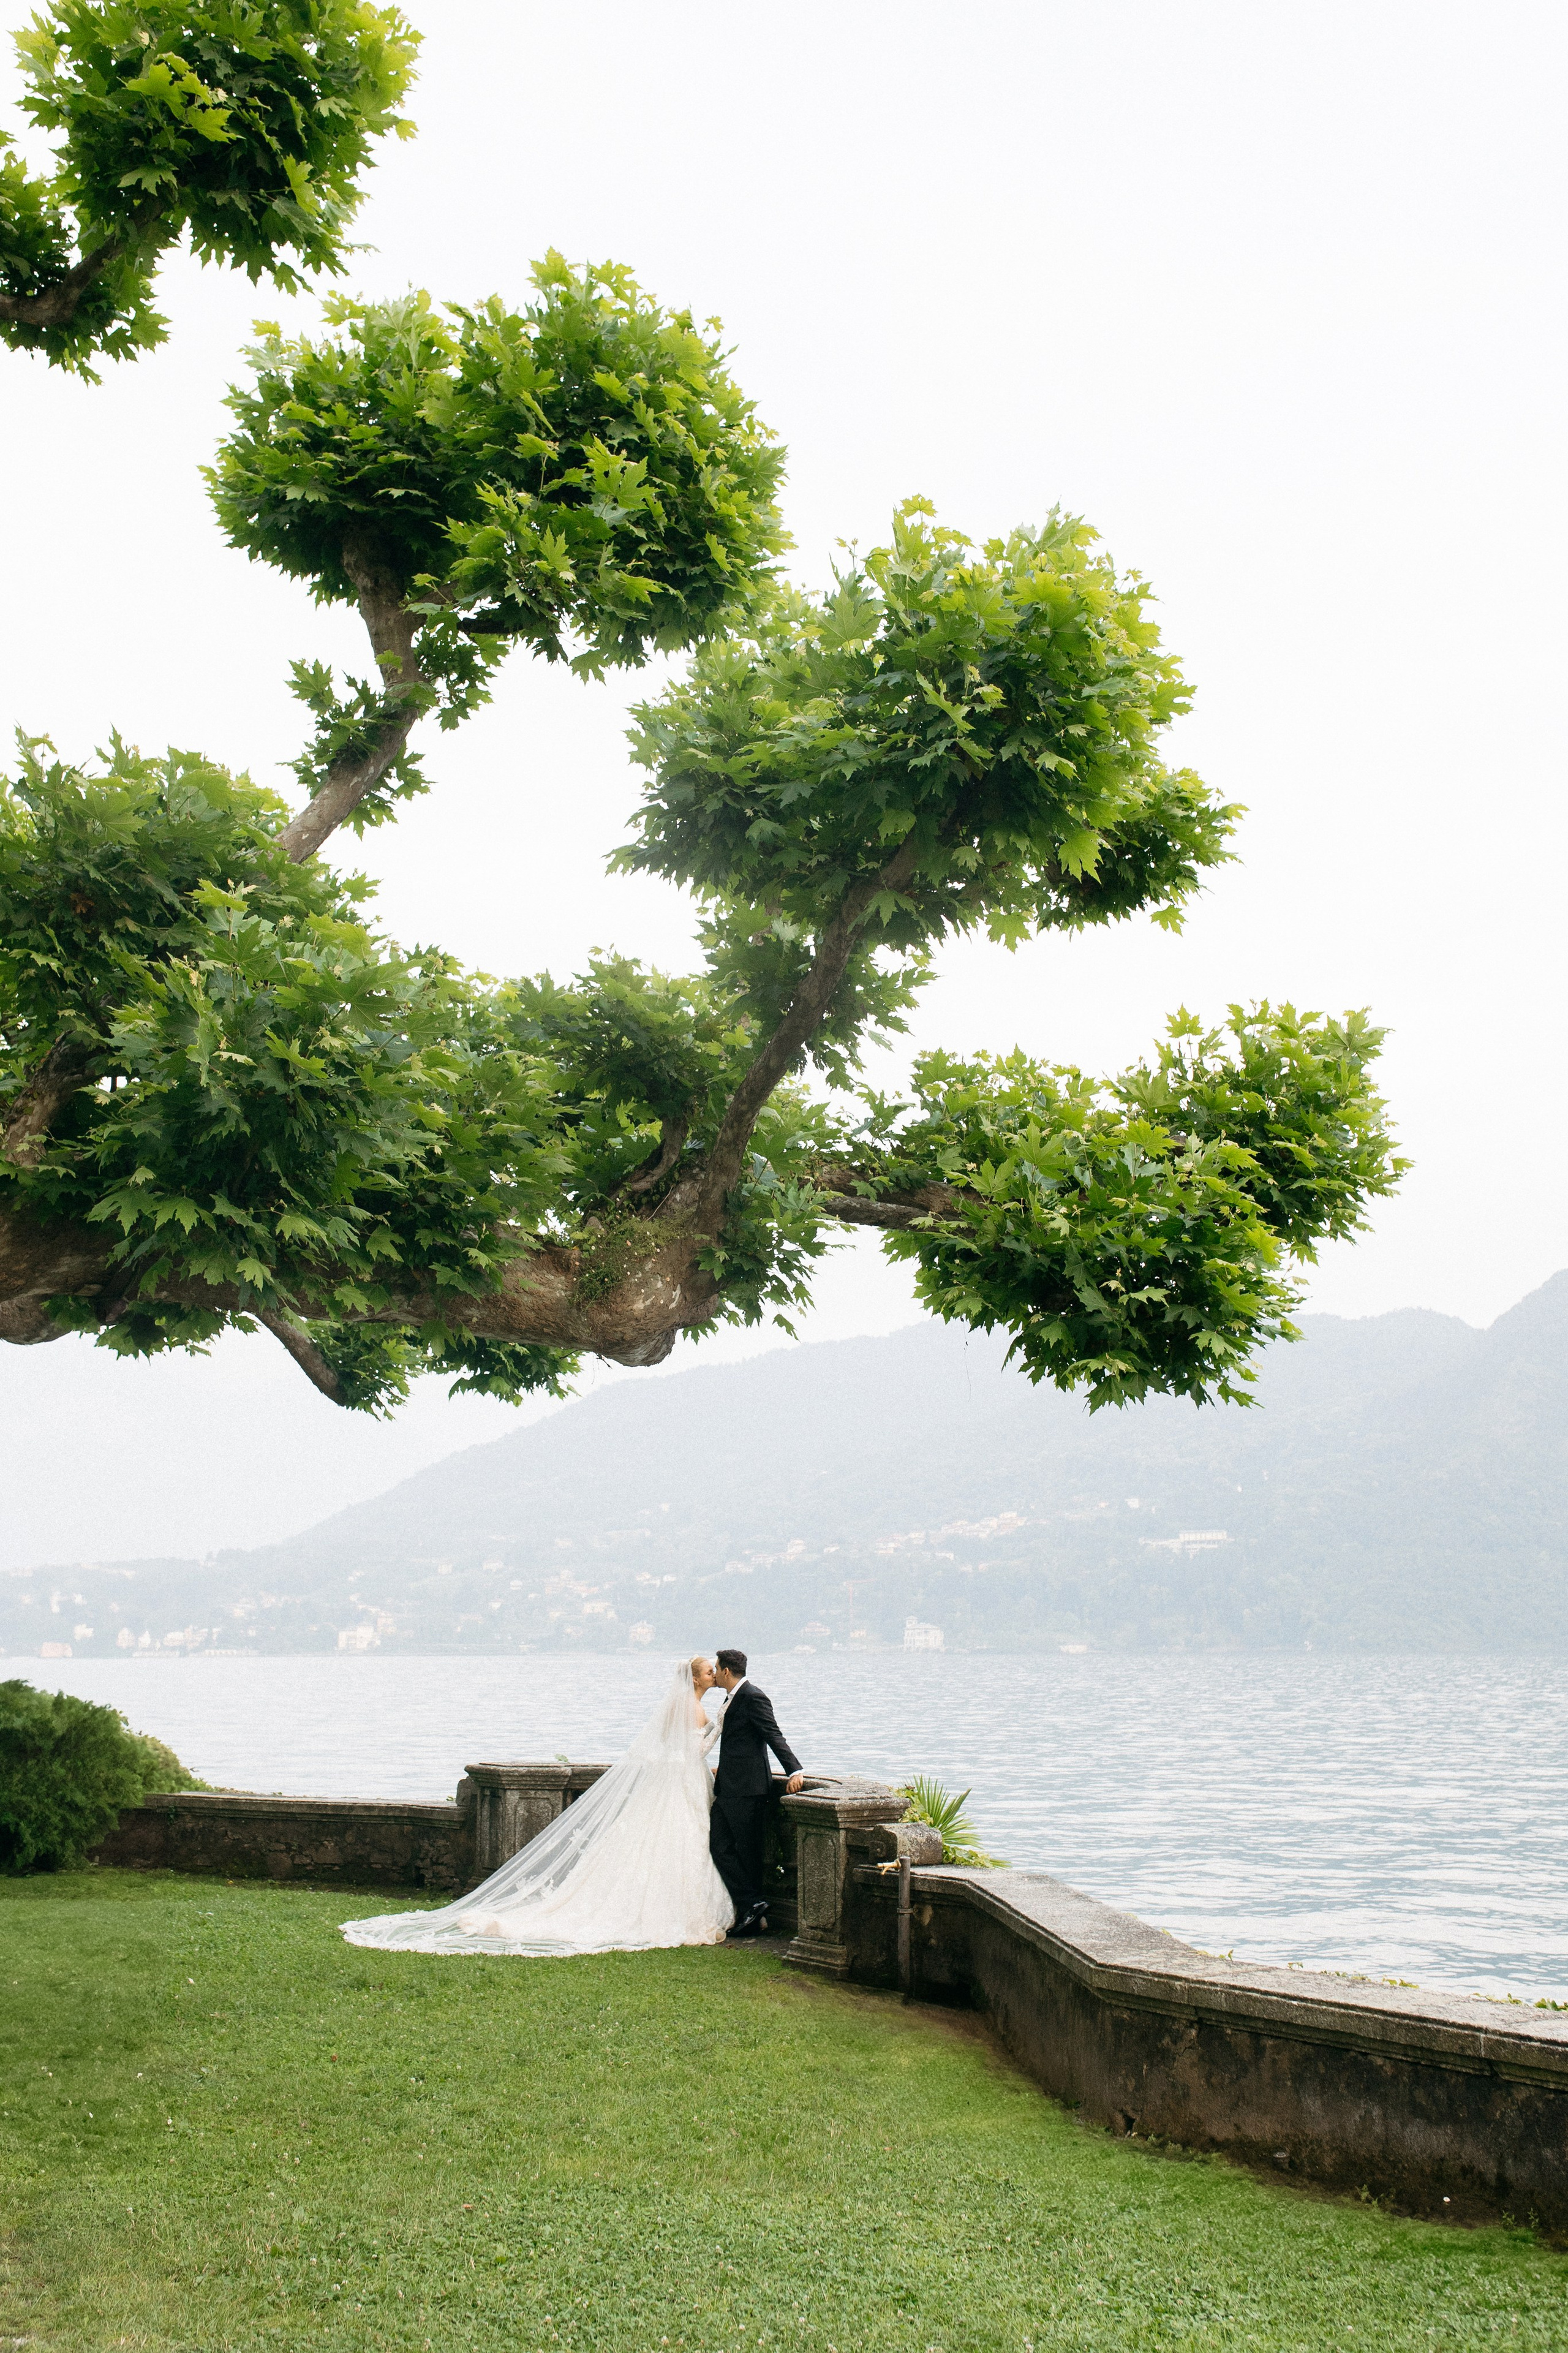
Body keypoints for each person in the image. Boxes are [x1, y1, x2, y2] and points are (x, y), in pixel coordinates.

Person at [339, 1657, 733, 1957]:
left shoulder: (672, 1707)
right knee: (681, 1843)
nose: (715, 1675)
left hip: (669, 1781)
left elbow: (666, 1748)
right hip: (683, 1783)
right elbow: (694, 1750)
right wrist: (718, 1726)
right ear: (696, 1679)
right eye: (709, 1672)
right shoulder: (695, 1709)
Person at [709, 1647, 806, 1938]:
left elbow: (772, 1733)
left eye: (716, 1668)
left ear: (727, 1671)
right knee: (719, 1846)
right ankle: (752, 1904)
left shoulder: (753, 1696)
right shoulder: (732, 1698)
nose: (714, 1673)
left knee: (748, 1852)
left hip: (748, 1790)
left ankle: (752, 1913)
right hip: (729, 1787)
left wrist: (795, 1771)